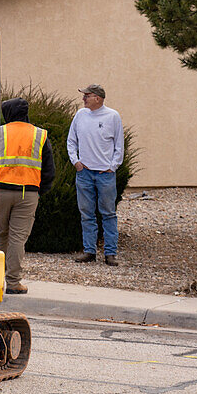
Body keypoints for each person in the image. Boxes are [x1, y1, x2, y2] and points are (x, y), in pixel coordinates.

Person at [0, 98, 55, 294]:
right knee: (17, 239)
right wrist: (39, 191)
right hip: (28, 193)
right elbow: (49, 169)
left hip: (0, 191)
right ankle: (13, 283)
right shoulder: (40, 134)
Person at [67, 84, 123, 266]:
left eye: (87, 96)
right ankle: (89, 251)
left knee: (108, 214)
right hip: (84, 173)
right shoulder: (80, 115)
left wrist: (112, 166)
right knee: (86, 214)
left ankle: (110, 253)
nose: (83, 99)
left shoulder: (113, 116)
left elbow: (119, 146)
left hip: (105, 174)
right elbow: (71, 140)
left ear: (98, 98)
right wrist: (76, 162)